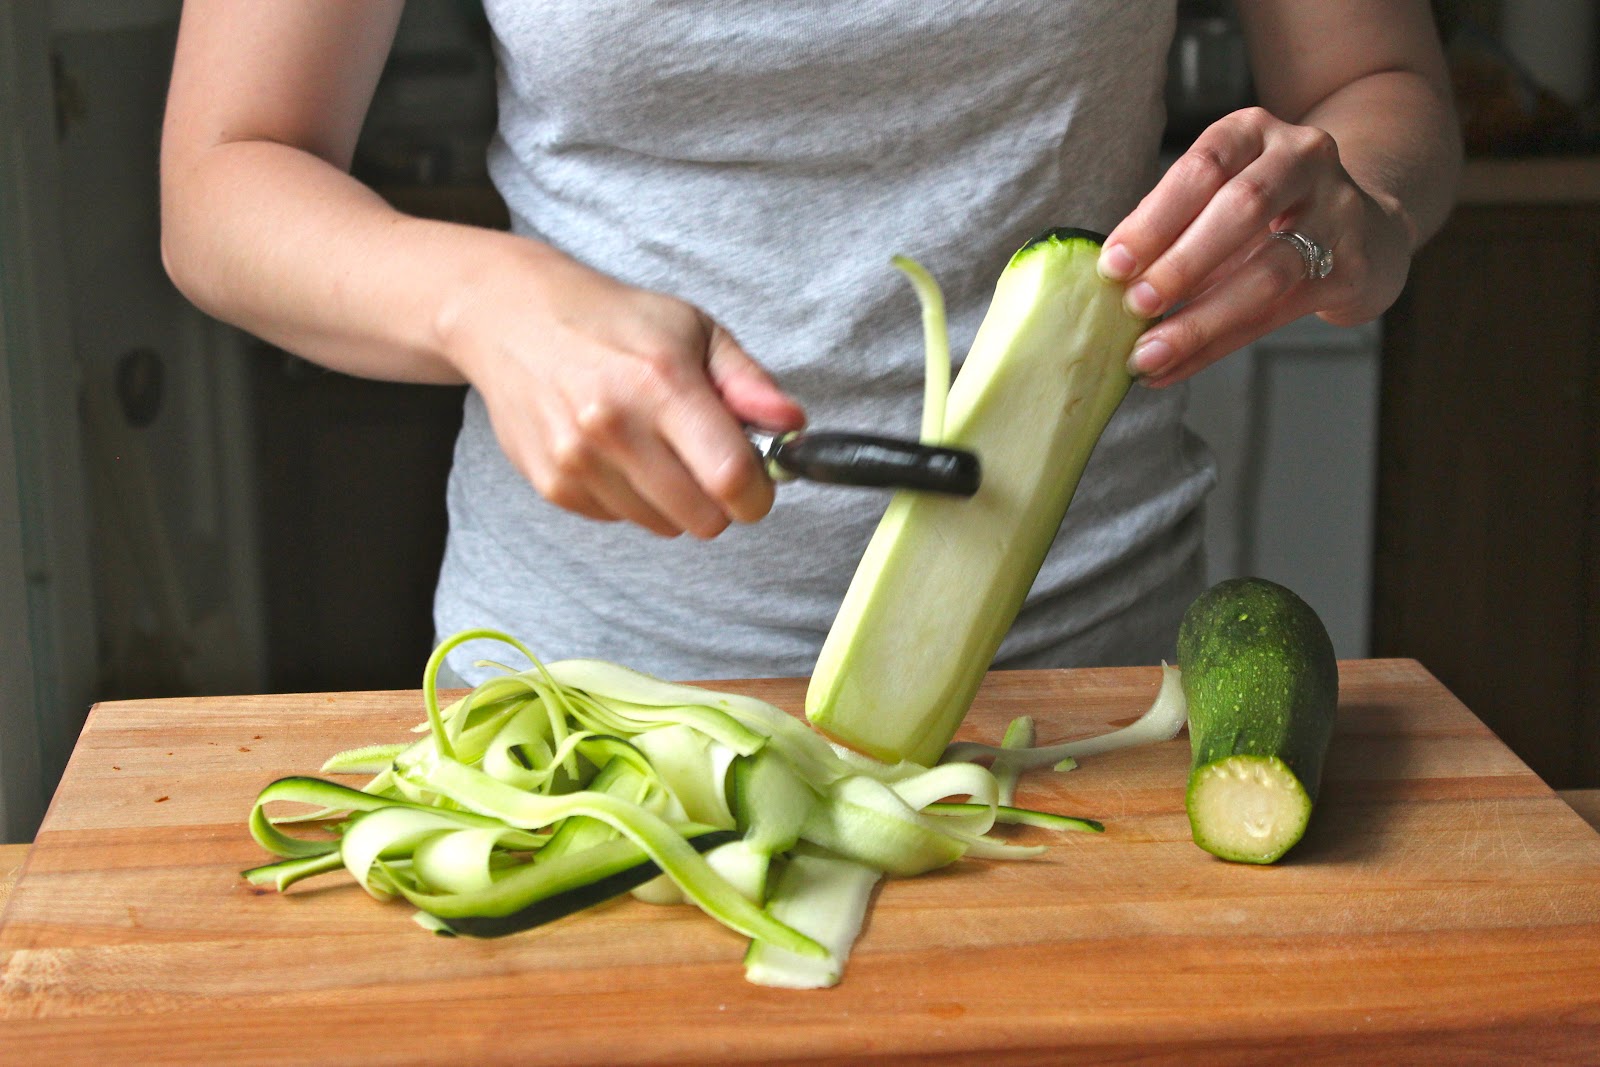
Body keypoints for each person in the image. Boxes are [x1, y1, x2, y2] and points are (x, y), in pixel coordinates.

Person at [160, 2, 1460, 687]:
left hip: (1077, 676)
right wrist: (485, 301)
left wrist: (1367, 211)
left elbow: (1382, 85)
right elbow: (225, 178)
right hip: (587, 689)